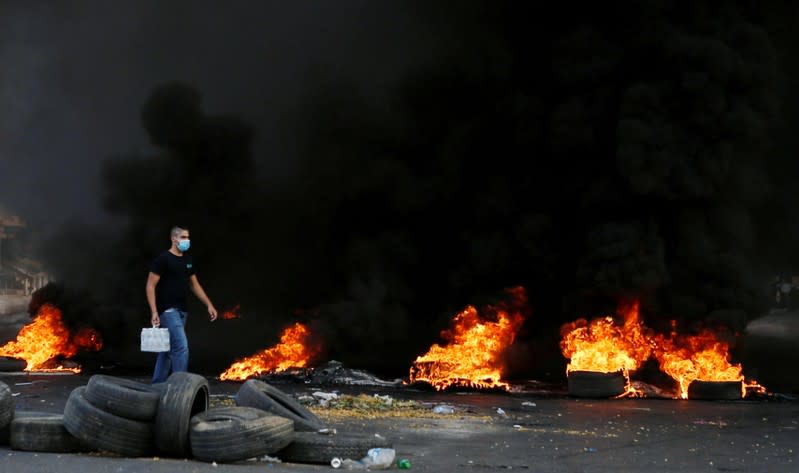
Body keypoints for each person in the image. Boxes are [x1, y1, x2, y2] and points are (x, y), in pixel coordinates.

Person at [146, 226, 218, 383]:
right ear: (174, 238)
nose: (187, 240)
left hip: (183, 311)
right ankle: (180, 387)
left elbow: (195, 285)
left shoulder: (187, 260)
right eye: (184, 237)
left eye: (188, 237)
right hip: (168, 310)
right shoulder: (163, 259)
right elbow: (150, 285)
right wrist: (154, 311)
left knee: (166, 349)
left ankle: (157, 385)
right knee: (181, 347)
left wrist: (209, 304)